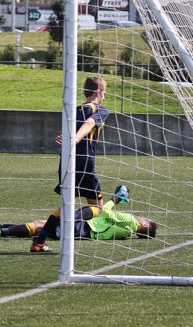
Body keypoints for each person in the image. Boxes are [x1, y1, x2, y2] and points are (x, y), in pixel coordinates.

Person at [31, 76, 110, 252]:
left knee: (67, 203)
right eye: (104, 93)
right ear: (98, 92)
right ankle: (69, 220)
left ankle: (39, 242)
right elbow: (89, 124)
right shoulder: (101, 110)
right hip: (84, 161)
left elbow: (69, 133)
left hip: (66, 160)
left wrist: (69, 139)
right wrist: (75, 138)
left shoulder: (73, 110)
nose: (105, 96)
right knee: (97, 207)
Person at [0, 186, 157, 249]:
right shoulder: (126, 233)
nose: (143, 217)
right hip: (86, 230)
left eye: (145, 219)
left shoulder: (131, 222)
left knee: (40, 227)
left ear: (143, 225)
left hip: (86, 227)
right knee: (42, 225)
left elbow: (105, 212)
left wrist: (114, 199)